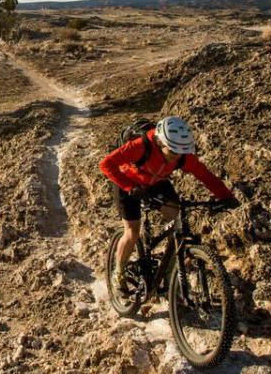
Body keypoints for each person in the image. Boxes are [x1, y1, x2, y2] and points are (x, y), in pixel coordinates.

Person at [99, 116, 238, 290]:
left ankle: (168, 273)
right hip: (127, 181)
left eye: (180, 153)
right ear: (159, 142)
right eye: (172, 152)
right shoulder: (141, 146)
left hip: (155, 181)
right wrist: (130, 187)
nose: (176, 158)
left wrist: (227, 197)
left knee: (178, 222)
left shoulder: (180, 154)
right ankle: (118, 272)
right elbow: (106, 164)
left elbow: (205, 175)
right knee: (132, 232)